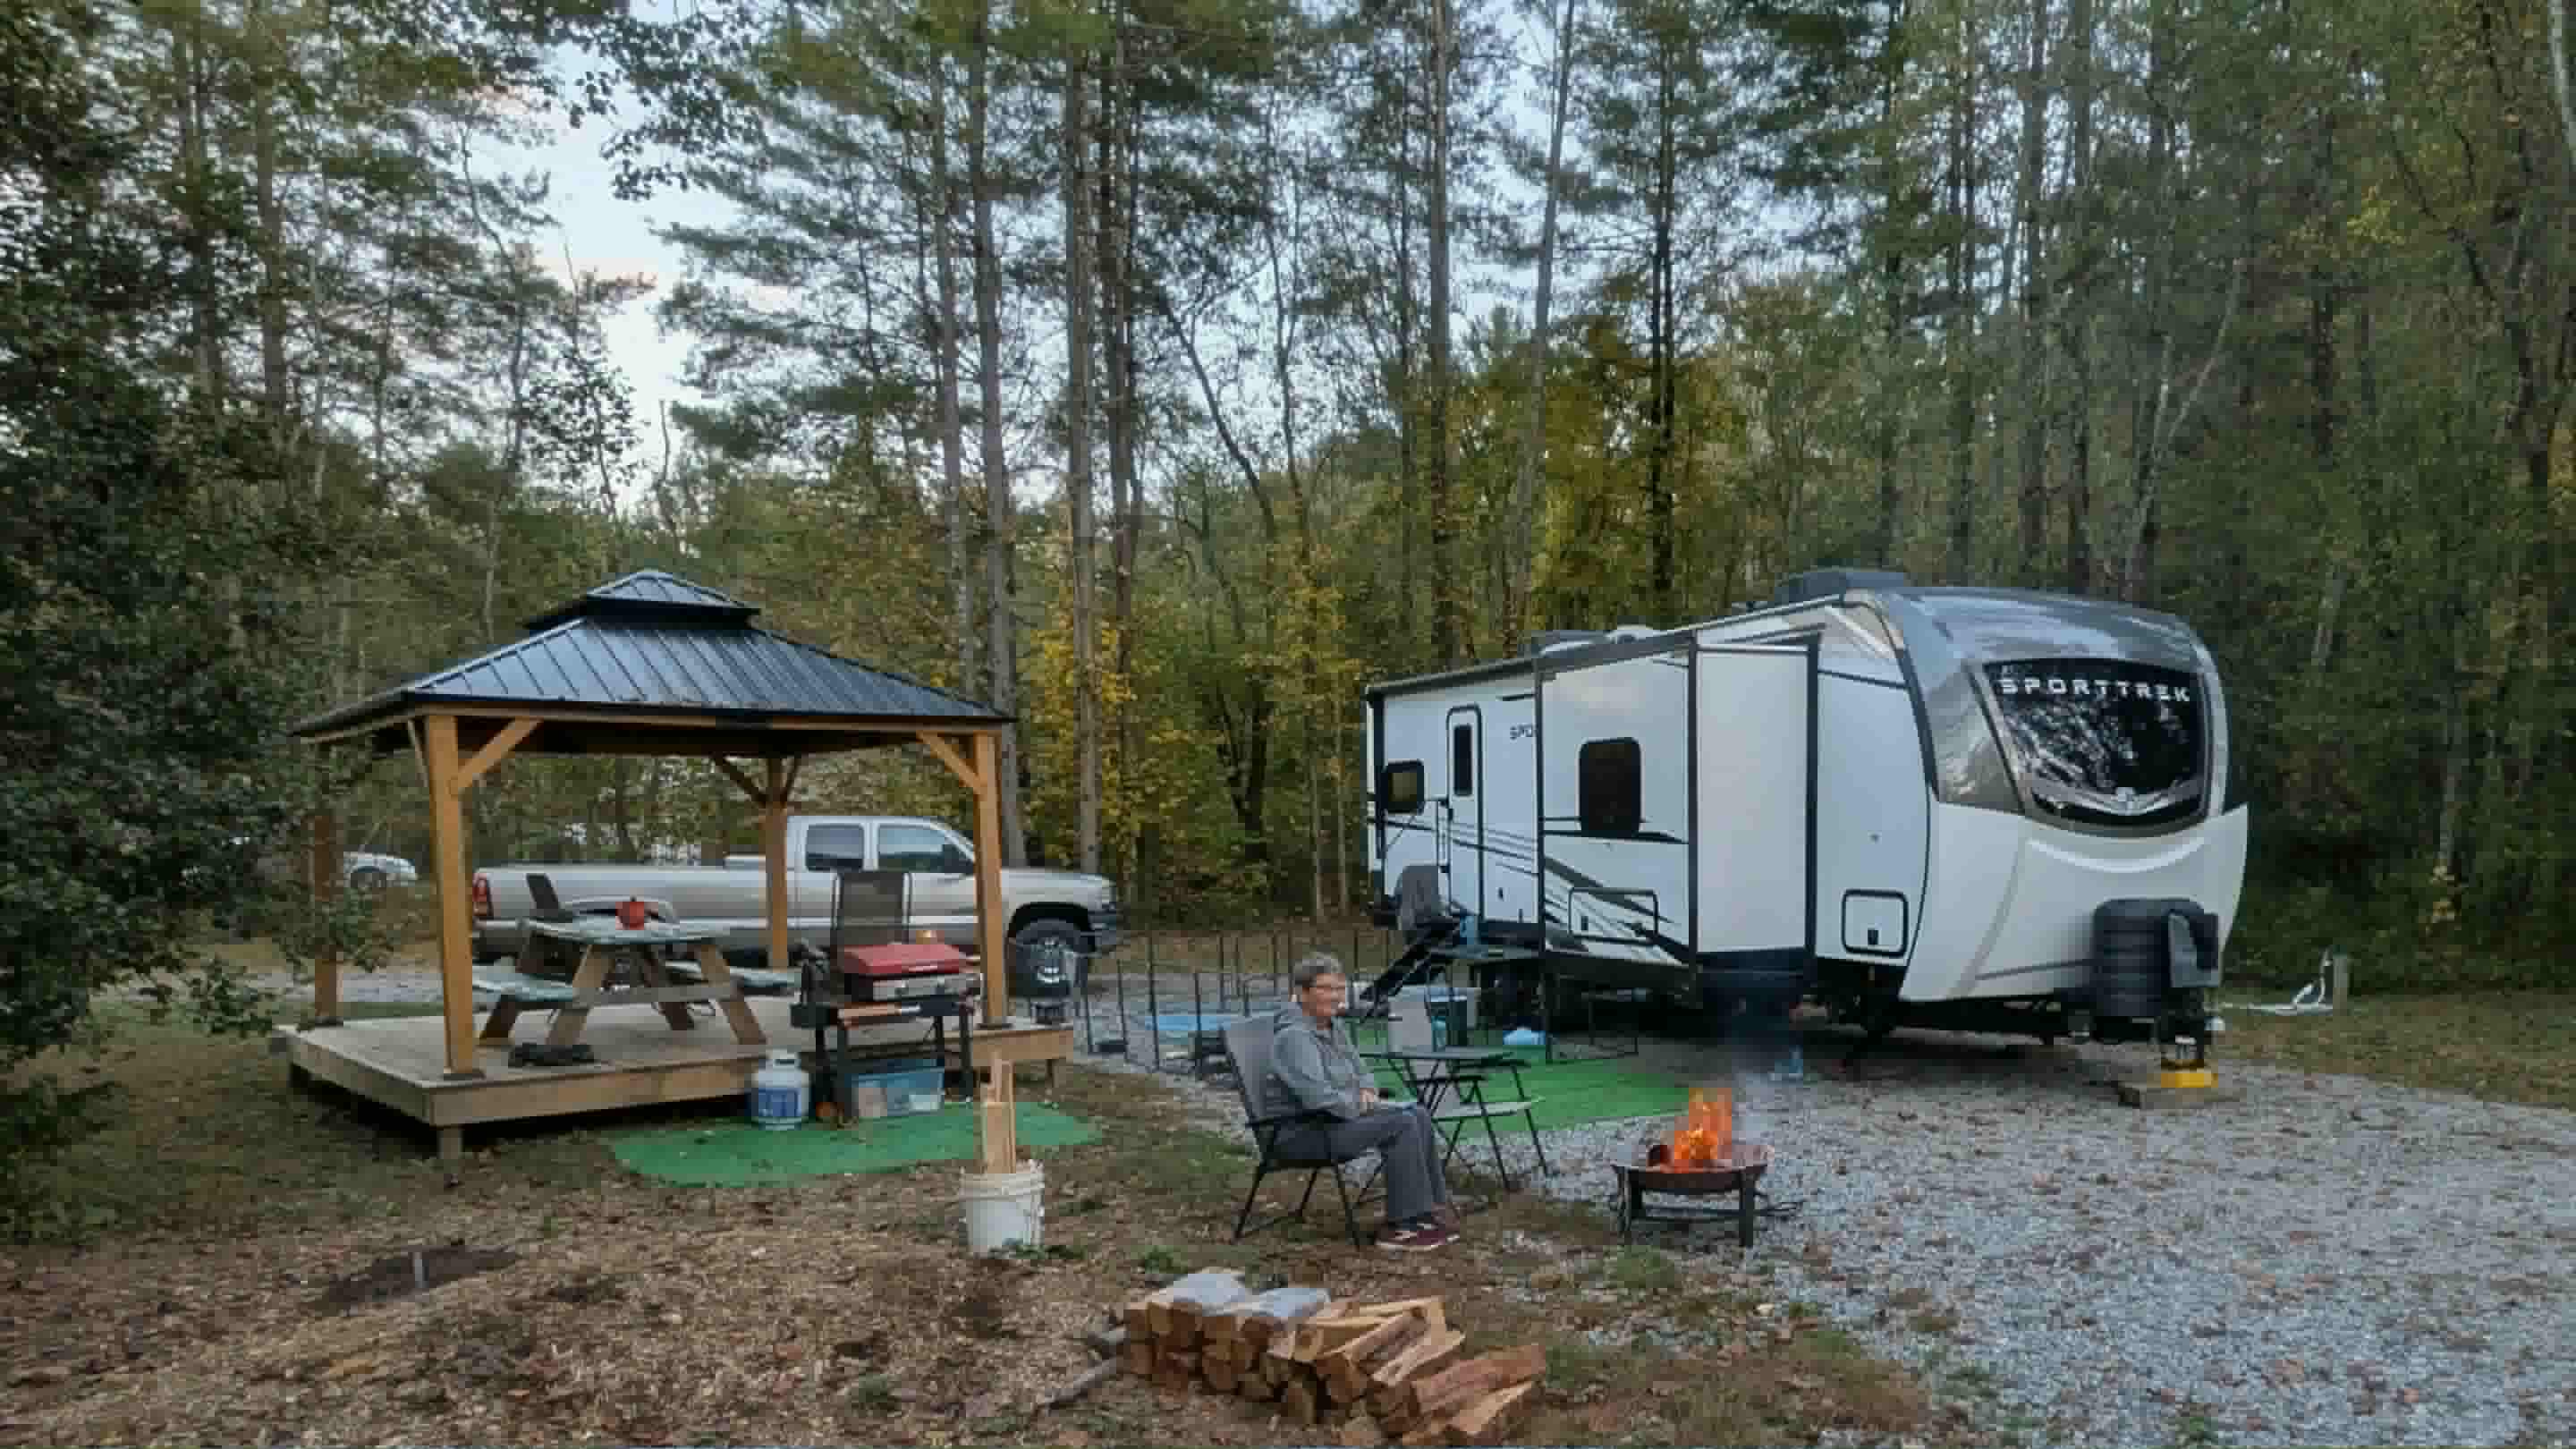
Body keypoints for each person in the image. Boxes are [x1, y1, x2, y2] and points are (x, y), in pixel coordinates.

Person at [1267, 952, 1460, 1251]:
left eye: (1339, 989)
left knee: (1418, 1112)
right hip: (1302, 1132)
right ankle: (1399, 1227)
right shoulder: (1294, 1038)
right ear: (1302, 993)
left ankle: (1425, 1210)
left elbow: (1362, 1071)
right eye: (1326, 989)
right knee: (1401, 1122)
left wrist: (1367, 1091)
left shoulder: (1332, 1027)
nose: (1335, 996)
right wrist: (1362, 1104)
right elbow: (1317, 1097)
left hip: (1336, 1120)